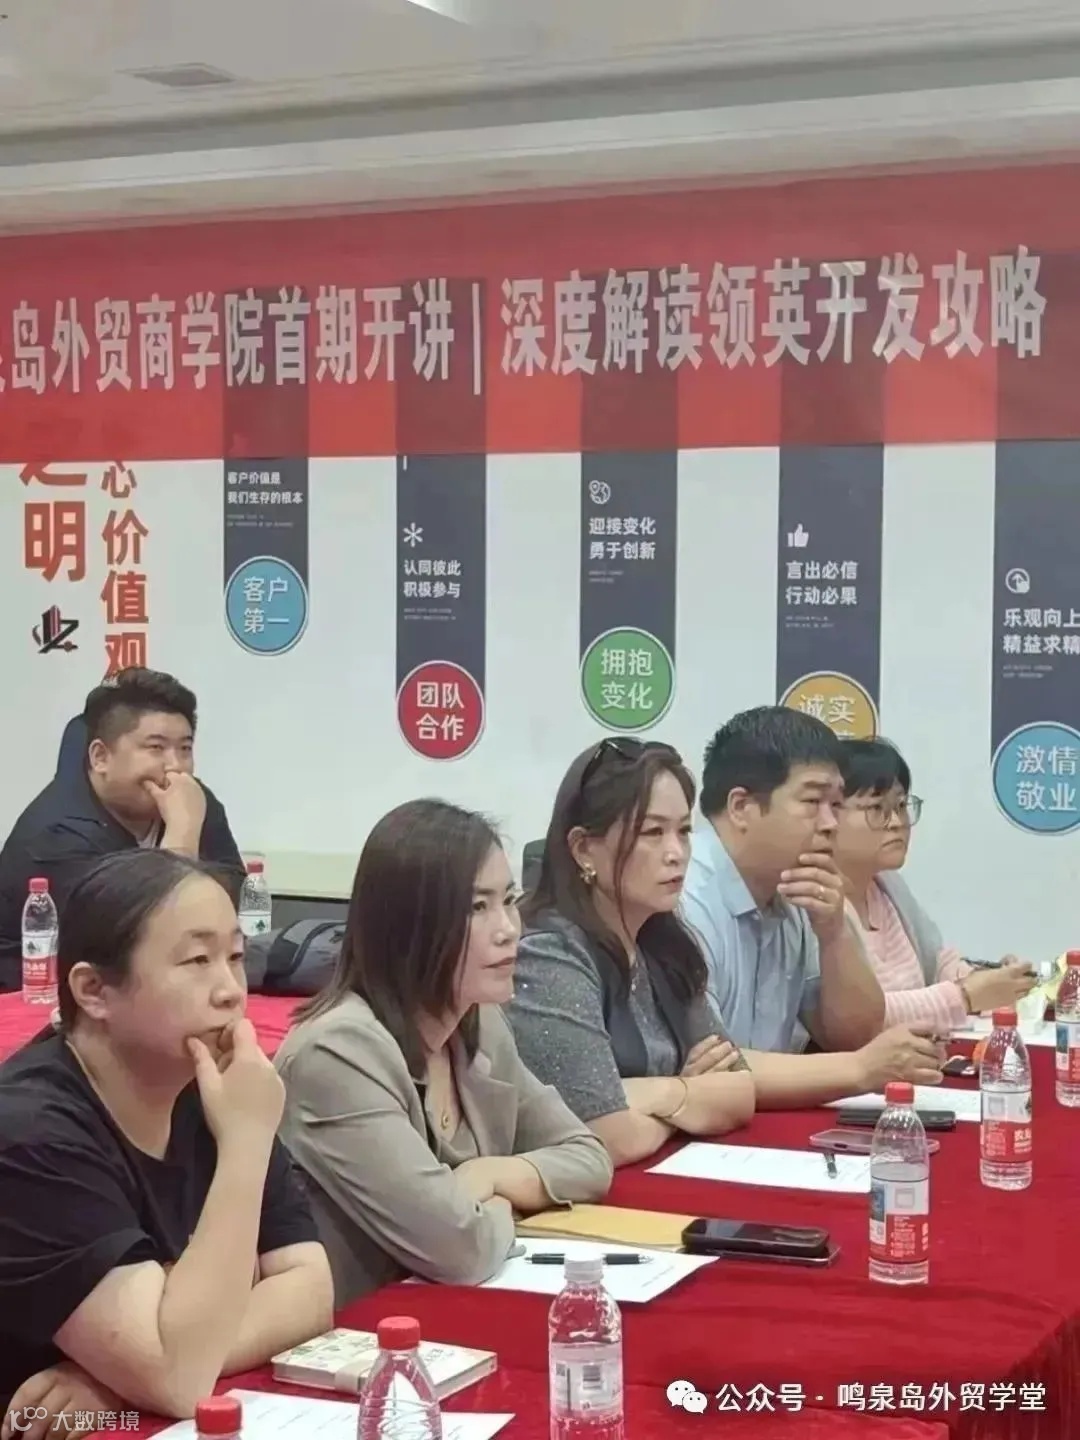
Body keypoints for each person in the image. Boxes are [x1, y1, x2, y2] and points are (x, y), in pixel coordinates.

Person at [0, 850, 332, 1432]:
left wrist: (121, 1378)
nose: (231, 991)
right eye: (198, 960)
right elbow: (179, 1379)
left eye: (235, 957)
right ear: (94, 990)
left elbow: (310, 1290)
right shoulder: (29, 1132)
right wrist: (246, 1144)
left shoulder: (208, 1085)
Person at [274, 799, 612, 1305]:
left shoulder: (478, 1022)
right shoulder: (337, 1054)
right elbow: (461, 1249)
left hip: (446, 1312)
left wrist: (487, 1176)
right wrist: (503, 1204)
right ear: (409, 925)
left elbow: (589, 1157)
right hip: (353, 1329)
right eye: (477, 908)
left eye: (509, 900)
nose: (509, 928)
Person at [507, 739, 756, 1168]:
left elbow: (739, 1090)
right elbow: (607, 1137)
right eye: (652, 833)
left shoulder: (665, 943)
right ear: (583, 849)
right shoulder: (549, 955)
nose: (676, 853)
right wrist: (686, 1095)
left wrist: (655, 1094)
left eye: (683, 831)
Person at [679, 707, 944, 1107]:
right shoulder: (683, 898)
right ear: (741, 807)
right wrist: (860, 1069)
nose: (831, 823)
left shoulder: (796, 887)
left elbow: (854, 1035)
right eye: (813, 801)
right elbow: (709, 1065)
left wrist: (835, 933)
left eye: (835, 804)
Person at [0, 669, 244, 992]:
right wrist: (183, 834)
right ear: (100, 757)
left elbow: (235, 898)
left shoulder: (190, 798)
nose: (175, 766)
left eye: (185, 749)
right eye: (156, 748)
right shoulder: (55, 835)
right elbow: (145, 941)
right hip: (40, 999)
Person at [835, 738, 1036, 1029]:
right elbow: (859, 1018)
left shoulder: (887, 885)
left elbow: (937, 963)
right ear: (826, 814)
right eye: (877, 807)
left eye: (901, 805)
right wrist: (965, 996)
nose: (897, 822)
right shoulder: (813, 904)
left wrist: (987, 980)